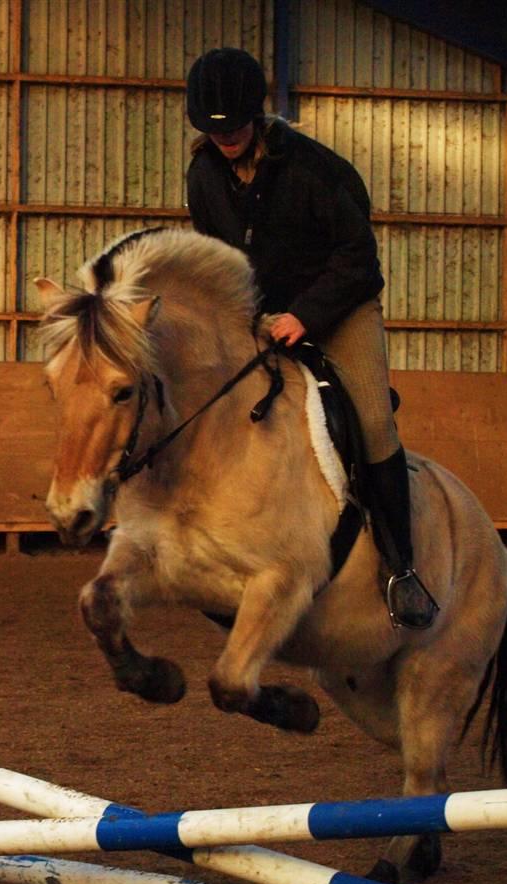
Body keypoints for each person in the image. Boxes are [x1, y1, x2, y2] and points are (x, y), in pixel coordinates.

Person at [185, 47, 438, 629]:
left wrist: (304, 315)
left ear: (258, 116)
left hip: (340, 304)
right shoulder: (203, 174)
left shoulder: (316, 171)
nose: (226, 140)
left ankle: (402, 568)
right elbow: (216, 256)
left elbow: (359, 260)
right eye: (214, 131)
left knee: (372, 421)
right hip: (258, 311)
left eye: (236, 129)